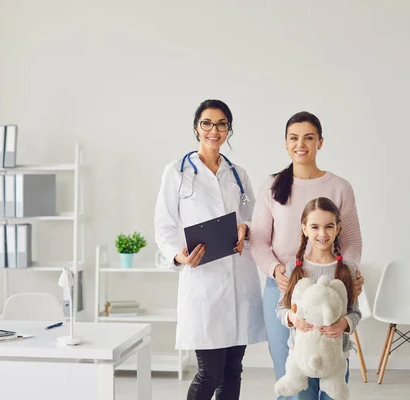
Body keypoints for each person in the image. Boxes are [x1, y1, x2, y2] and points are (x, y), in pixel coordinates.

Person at [154, 99, 266, 400]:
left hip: (238, 279)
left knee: (233, 371)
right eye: (207, 123)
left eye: (221, 124)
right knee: (209, 374)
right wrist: (178, 256)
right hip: (203, 280)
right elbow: (163, 228)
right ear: (196, 127)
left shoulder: (239, 173)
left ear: (229, 130)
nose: (213, 130)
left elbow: (252, 218)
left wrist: (244, 227)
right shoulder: (176, 172)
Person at [249, 111, 364, 399]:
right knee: (293, 374)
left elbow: (351, 242)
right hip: (285, 288)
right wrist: (277, 271)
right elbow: (259, 240)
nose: (301, 144)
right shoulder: (273, 185)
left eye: (309, 138)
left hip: (331, 287)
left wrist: (347, 275)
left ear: (320, 142)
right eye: (294, 138)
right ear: (286, 143)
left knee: (332, 369)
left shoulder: (339, 187)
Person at [276, 197, 361, 399]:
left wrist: (343, 323)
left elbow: (355, 312)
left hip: (336, 355)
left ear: (338, 228)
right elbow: (281, 309)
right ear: (304, 229)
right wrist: (294, 319)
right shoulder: (295, 268)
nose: (322, 234)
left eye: (329, 227)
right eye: (315, 227)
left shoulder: (346, 269)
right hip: (301, 354)